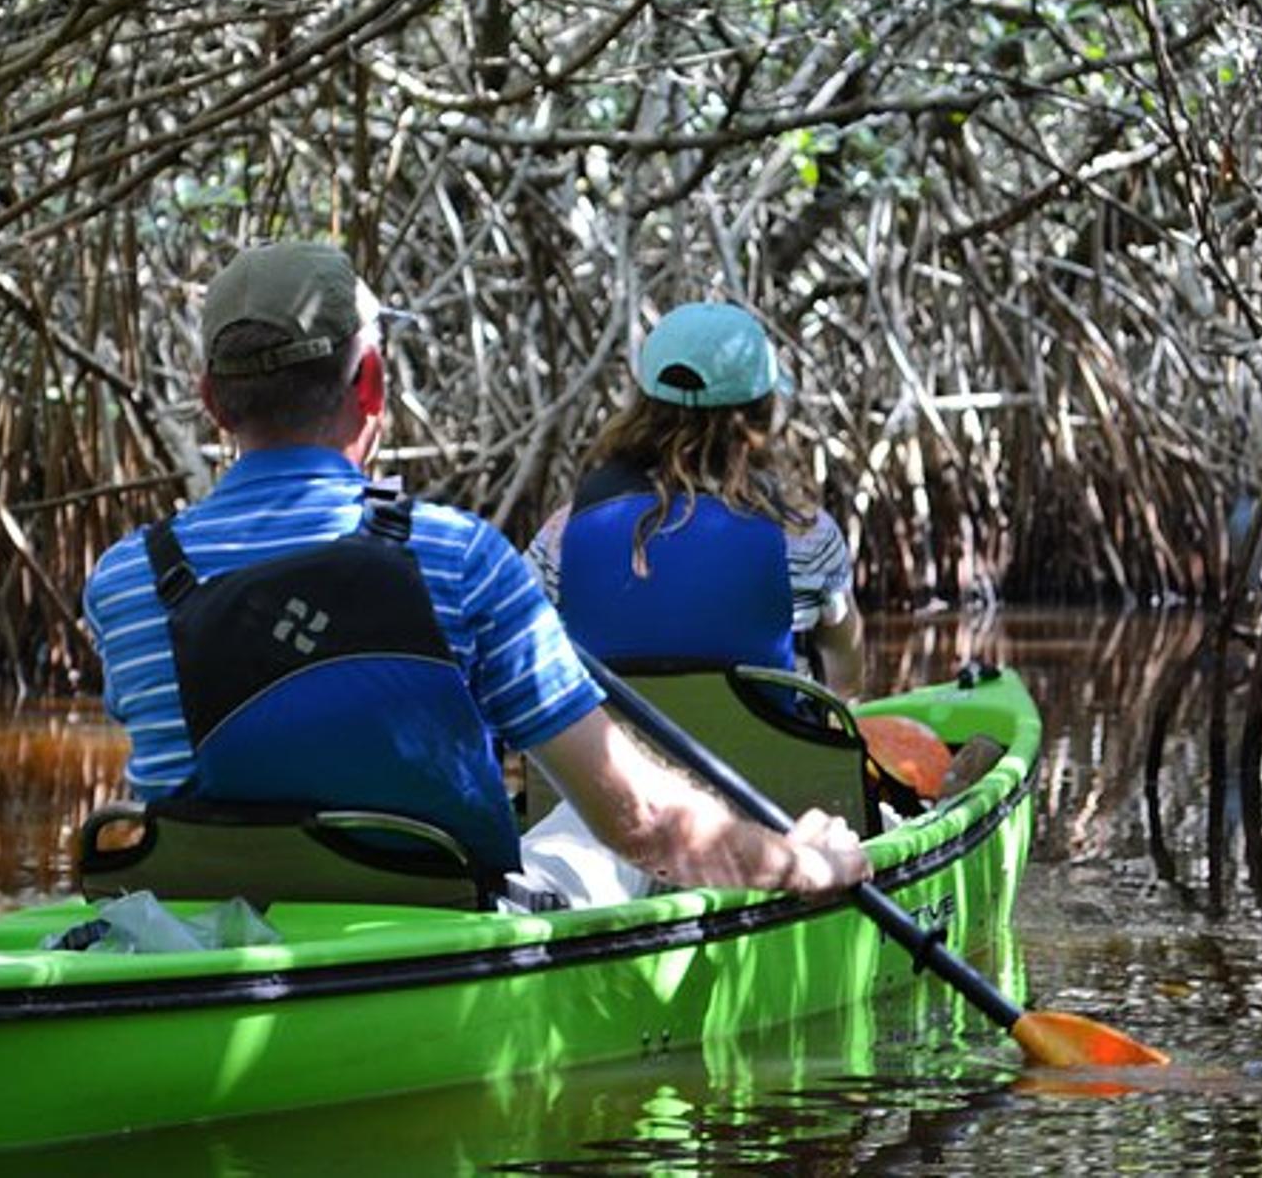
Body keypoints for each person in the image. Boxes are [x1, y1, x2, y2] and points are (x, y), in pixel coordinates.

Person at [81, 242, 868, 906]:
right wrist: (803, 861)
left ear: (212, 401)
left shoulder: (126, 583)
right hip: (450, 924)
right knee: (577, 829)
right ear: (372, 384)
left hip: (211, 932)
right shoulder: (459, 559)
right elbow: (643, 822)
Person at [524, 301, 865, 697]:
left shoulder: (565, 532)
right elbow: (847, 679)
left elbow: (515, 650)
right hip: (760, 758)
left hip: (601, 757)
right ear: (761, 411)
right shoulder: (806, 533)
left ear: (642, 405)